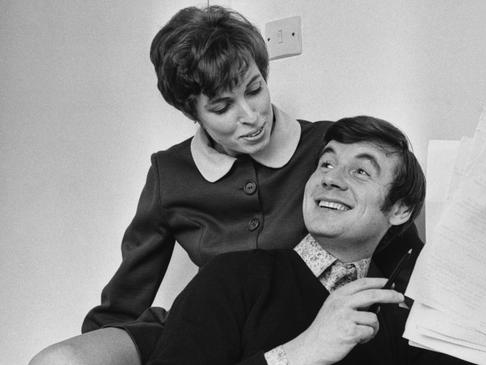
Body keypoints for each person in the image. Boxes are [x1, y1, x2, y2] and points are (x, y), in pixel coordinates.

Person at [29, 6, 421, 365]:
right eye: (222, 107)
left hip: (288, 319)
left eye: (254, 90)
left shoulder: (325, 152)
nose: (250, 117)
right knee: (60, 361)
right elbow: (130, 286)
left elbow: (385, 222)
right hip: (195, 324)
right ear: (192, 112)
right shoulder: (171, 173)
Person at [145, 116, 486, 365]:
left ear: (400, 210)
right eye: (326, 164)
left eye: (360, 171)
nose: (330, 178)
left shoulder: (425, 308)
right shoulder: (233, 279)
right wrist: (299, 353)